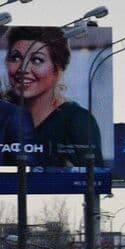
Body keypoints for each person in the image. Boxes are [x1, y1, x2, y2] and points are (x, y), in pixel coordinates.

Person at [3, 26, 101, 167]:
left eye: (37, 60)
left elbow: (95, 178)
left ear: (57, 68)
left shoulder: (77, 121)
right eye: (16, 58)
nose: (23, 69)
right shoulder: (5, 115)